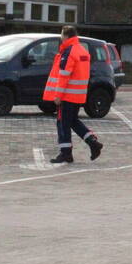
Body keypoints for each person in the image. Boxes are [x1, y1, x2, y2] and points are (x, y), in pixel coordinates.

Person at [45, 25, 103, 163]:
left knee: (63, 124)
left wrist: (58, 95)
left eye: (61, 35)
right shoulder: (82, 50)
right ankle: (93, 142)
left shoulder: (69, 52)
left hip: (67, 95)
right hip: (78, 95)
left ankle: (66, 153)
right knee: (72, 121)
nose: (61, 38)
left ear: (65, 35)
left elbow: (64, 75)